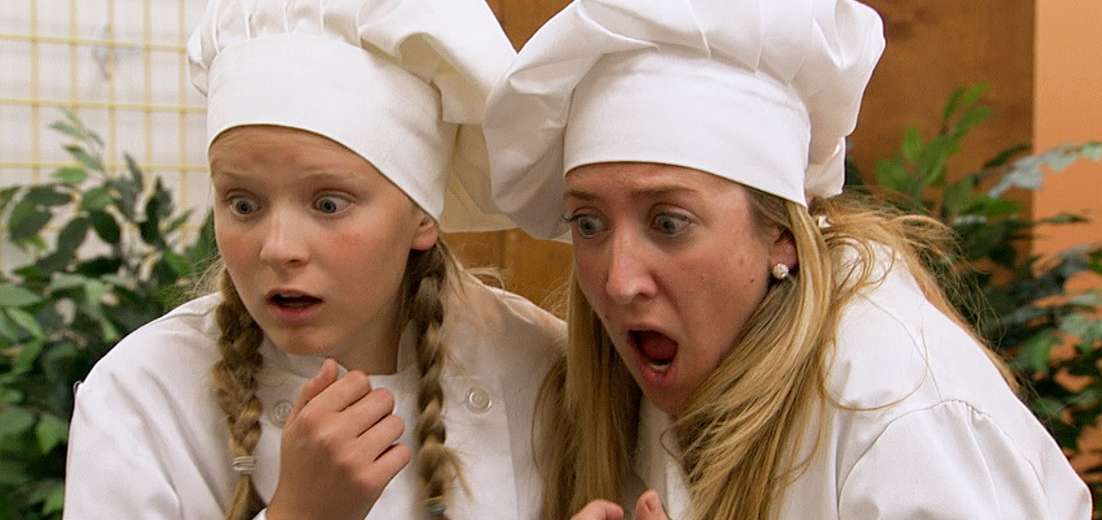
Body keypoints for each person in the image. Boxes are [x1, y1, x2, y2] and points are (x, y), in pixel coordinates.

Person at [483, 0, 1093, 518]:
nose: (619, 282)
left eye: (669, 223)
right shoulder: (632, 391)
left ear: (782, 235)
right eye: (589, 224)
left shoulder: (898, 414)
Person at [62, 0, 565, 518]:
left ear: (422, 215)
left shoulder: (540, 366)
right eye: (243, 205)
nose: (278, 248)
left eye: (328, 204)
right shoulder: (142, 396)